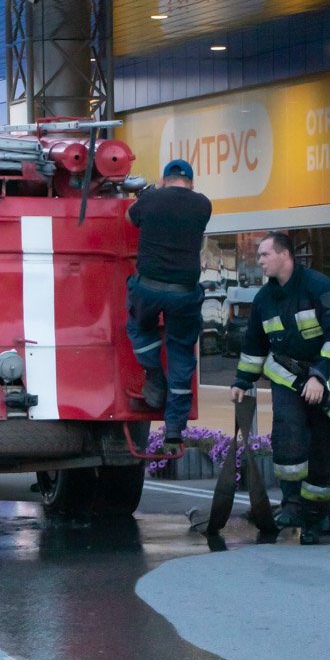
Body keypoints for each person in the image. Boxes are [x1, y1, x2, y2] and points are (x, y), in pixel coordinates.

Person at [231, 232, 330, 543]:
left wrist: (320, 376)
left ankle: (316, 516)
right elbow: (254, 344)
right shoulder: (264, 299)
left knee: (322, 446)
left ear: (285, 255)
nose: (260, 260)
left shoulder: (319, 287)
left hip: (326, 378)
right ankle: (292, 504)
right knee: (288, 434)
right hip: (286, 378)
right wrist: (242, 380)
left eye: (265, 254)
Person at [126, 159, 213, 450]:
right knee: (181, 352)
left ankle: (153, 375)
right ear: (191, 182)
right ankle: (174, 430)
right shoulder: (203, 205)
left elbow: (130, 217)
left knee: (139, 327)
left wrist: (148, 194)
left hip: (148, 288)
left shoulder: (151, 199)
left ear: (164, 179)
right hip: (184, 293)